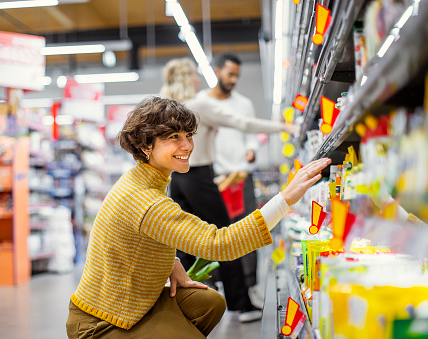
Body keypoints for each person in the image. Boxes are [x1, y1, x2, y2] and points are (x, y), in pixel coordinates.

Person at [66, 96, 331, 338]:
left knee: (210, 303)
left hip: (134, 301)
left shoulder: (147, 181)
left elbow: (132, 240)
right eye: (173, 137)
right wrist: (285, 199)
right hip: (101, 322)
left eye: (188, 135)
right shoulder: (145, 200)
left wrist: (170, 261)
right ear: (146, 145)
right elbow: (219, 243)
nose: (187, 145)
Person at [160, 57, 298, 322]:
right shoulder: (200, 104)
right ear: (188, 78)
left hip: (176, 179)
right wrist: (282, 126)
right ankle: (241, 304)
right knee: (225, 238)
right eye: (194, 76)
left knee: (185, 244)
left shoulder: (170, 109)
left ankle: (187, 304)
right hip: (199, 177)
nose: (199, 80)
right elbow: (243, 123)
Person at [207, 53, 267, 308]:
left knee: (248, 233)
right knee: (217, 236)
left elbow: (251, 136)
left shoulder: (244, 104)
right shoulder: (204, 105)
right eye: (229, 74)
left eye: (237, 76)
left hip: (242, 178)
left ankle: (248, 287)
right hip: (217, 180)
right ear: (217, 71)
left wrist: (252, 149)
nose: (233, 80)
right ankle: (223, 289)